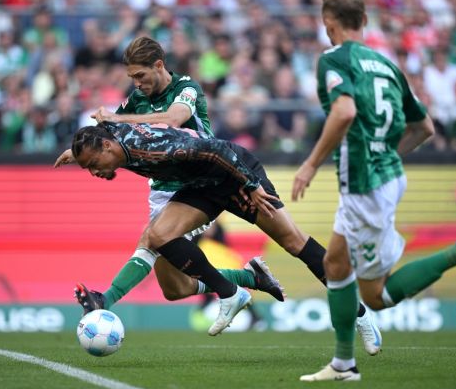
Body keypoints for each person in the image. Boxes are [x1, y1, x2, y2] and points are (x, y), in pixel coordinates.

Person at [292, 0, 456, 382]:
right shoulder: (386, 65)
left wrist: (310, 164)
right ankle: (343, 365)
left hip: (365, 184)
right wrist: (387, 154)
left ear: (328, 22)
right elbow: (425, 127)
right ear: (363, 21)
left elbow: (343, 111)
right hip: (384, 176)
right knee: (334, 263)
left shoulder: (333, 59)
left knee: (375, 296)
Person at [54, 36, 283, 325]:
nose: (136, 83)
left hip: (195, 181)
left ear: (158, 66)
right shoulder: (138, 98)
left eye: (139, 75)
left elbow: (173, 119)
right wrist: (77, 153)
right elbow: (106, 137)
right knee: (175, 288)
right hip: (161, 187)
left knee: (150, 239)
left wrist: (118, 118)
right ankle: (249, 277)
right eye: (132, 77)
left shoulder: (185, 88)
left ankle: (105, 300)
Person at [69, 120, 339, 336]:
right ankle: (237, 287)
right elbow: (108, 124)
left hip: (235, 176)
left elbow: (216, 149)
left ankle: (356, 313)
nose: (94, 172)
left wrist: (251, 184)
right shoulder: (111, 138)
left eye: (93, 165)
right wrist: (76, 152)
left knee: (293, 241)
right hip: (202, 186)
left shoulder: (151, 147)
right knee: (161, 249)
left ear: (106, 146)